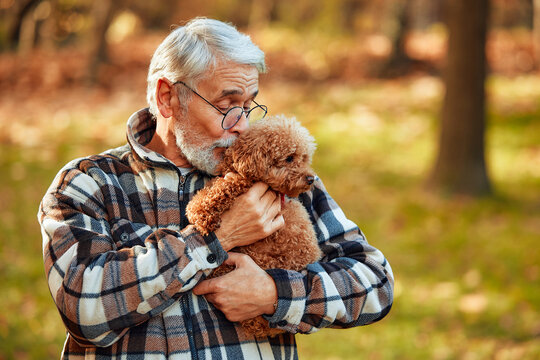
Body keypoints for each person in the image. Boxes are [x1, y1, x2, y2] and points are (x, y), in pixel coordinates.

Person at [38, 17, 394, 359]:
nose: (242, 125)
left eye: (249, 104)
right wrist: (214, 239)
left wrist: (275, 294)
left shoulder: (276, 172)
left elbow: (375, 283)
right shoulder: (89, 183)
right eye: (227, 105)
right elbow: (85, 310)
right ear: (167, 97)